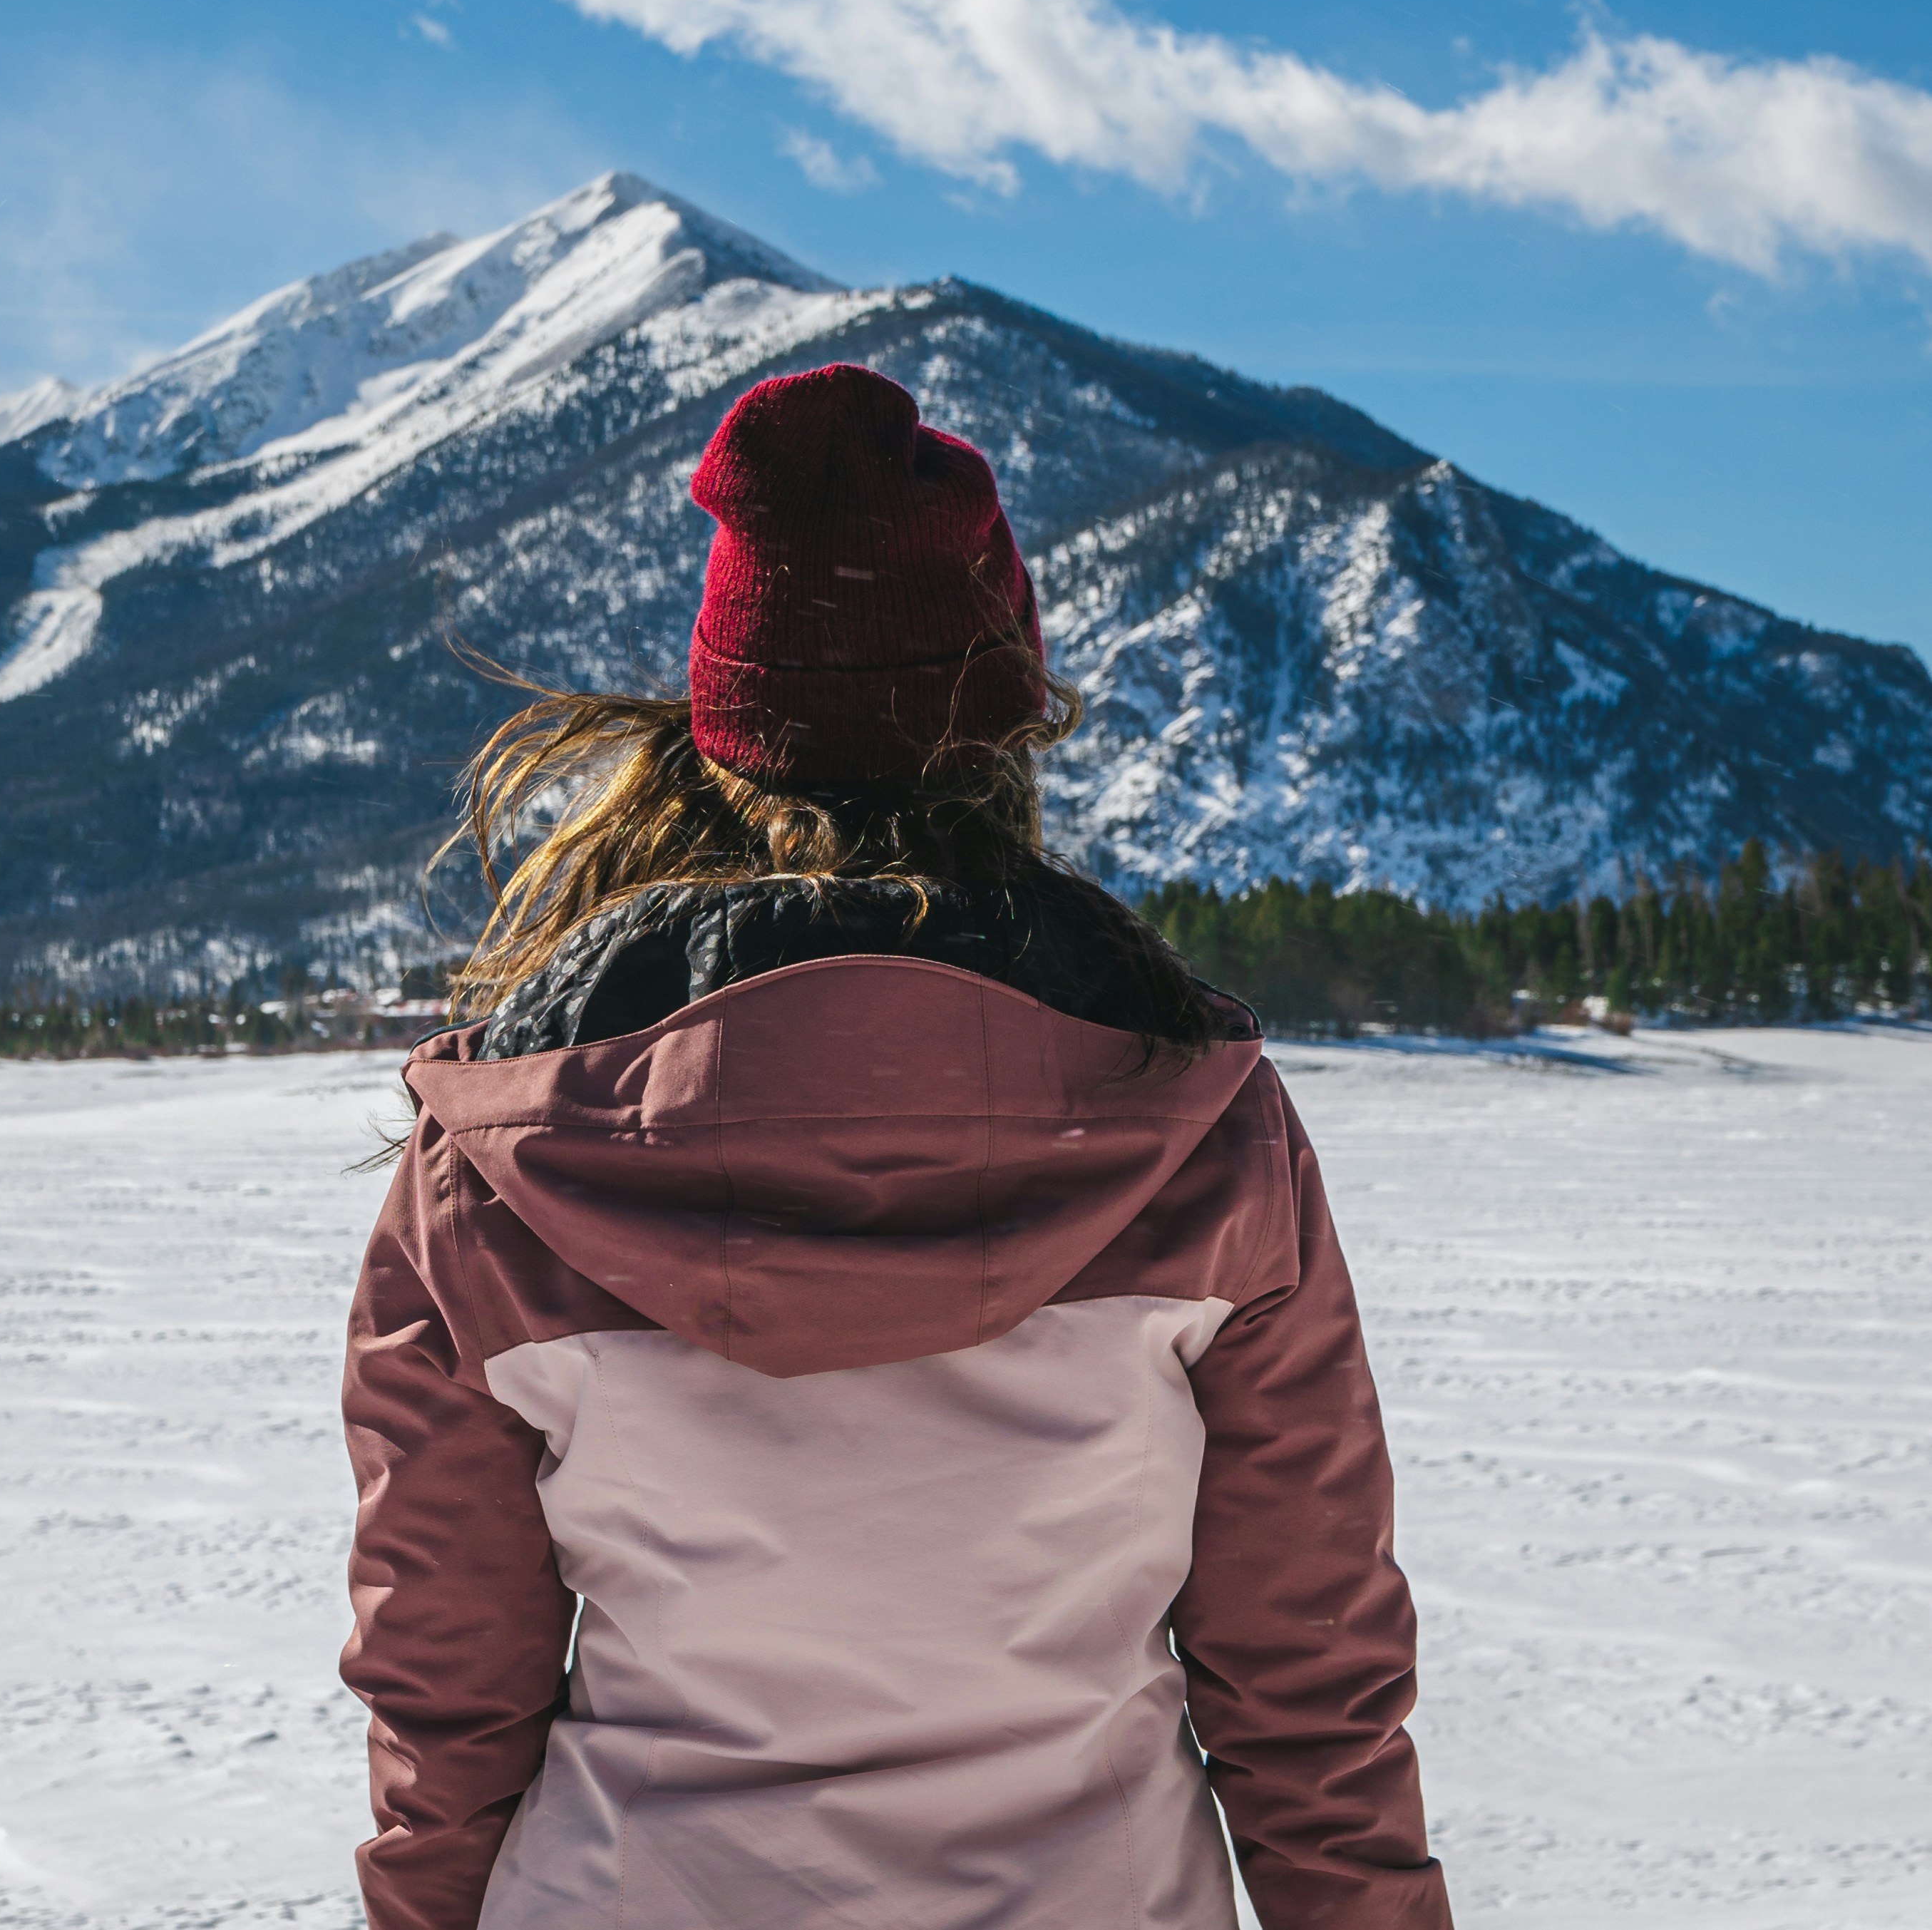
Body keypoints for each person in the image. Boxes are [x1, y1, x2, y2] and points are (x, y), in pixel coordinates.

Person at [341, 362, 1452, 1930]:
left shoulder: (501, 1157)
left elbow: (448, 1701)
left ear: (719, 731)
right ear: (1004, 733)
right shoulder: (1198, 1122)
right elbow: (1309, 1686)